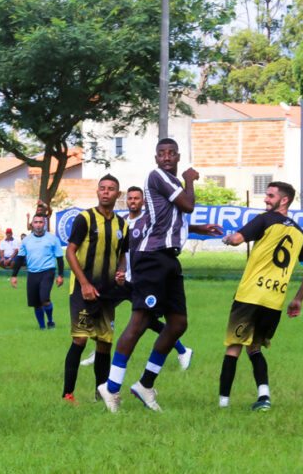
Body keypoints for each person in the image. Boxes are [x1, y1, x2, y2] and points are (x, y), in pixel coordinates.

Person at [99, 138, 215, 413]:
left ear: (178, 155)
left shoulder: (172, 184)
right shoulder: (158, 176)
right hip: (152, 258)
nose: (166, 157)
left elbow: (173, 218)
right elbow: (187, 205)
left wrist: (198, 229)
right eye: (161, 153)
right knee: (140, 320)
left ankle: (145, 384)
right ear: (156, 158)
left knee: (178, 323)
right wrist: (190, 179)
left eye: (171, 153)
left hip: (169, 260)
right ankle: (111, 388)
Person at [219, 181, 303, 411]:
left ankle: (223, 405)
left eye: (270, 195)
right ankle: (264, 397)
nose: (266, 199)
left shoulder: (264, 219)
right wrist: (298, 299)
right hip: (274, 301)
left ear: (284, 200)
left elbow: (236, 239)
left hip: (250, 295)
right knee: (254, 348)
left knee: (234, 346)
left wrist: (226, 238)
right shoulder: (299, 232)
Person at [81, 185, 199, 369]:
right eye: (130, 198)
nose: (133, 201)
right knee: (102, 307)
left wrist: (200, 229)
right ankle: (99, 351)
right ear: (126, 200)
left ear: (143, 201)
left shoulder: (148, 221)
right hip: (122, 278)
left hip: (141, 279)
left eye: (137, 198)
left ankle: (183, 350)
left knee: (147, 320)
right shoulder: (122, 221)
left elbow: (174, 226)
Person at [62, 174, 132, 405]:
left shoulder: (122, 225)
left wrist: (121, 272)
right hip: (83, 291)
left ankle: (100, 394)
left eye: (111, 189)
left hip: (107, 293)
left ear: (117, 195)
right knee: (80, 340)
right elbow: (70, 252)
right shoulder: (85, 218)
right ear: (97, 191)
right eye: (102, 188)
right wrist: (84, 283)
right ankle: (68, 395)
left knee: (104, 342)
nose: (105, 192)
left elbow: (122, 255)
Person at [10, 214, 65, 329]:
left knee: (44, 298)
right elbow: (20, 258)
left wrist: (60, 275)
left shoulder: (52, 239)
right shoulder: (26, 240)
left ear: (44, 224)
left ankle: (50, 321)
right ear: (32, 224)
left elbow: (59, 257)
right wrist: (14, 276)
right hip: (32, 273)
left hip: (47, 271)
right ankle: (42, 327)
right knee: (36, 303)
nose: (38, 225)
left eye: (40, 222)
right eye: (36, 222)